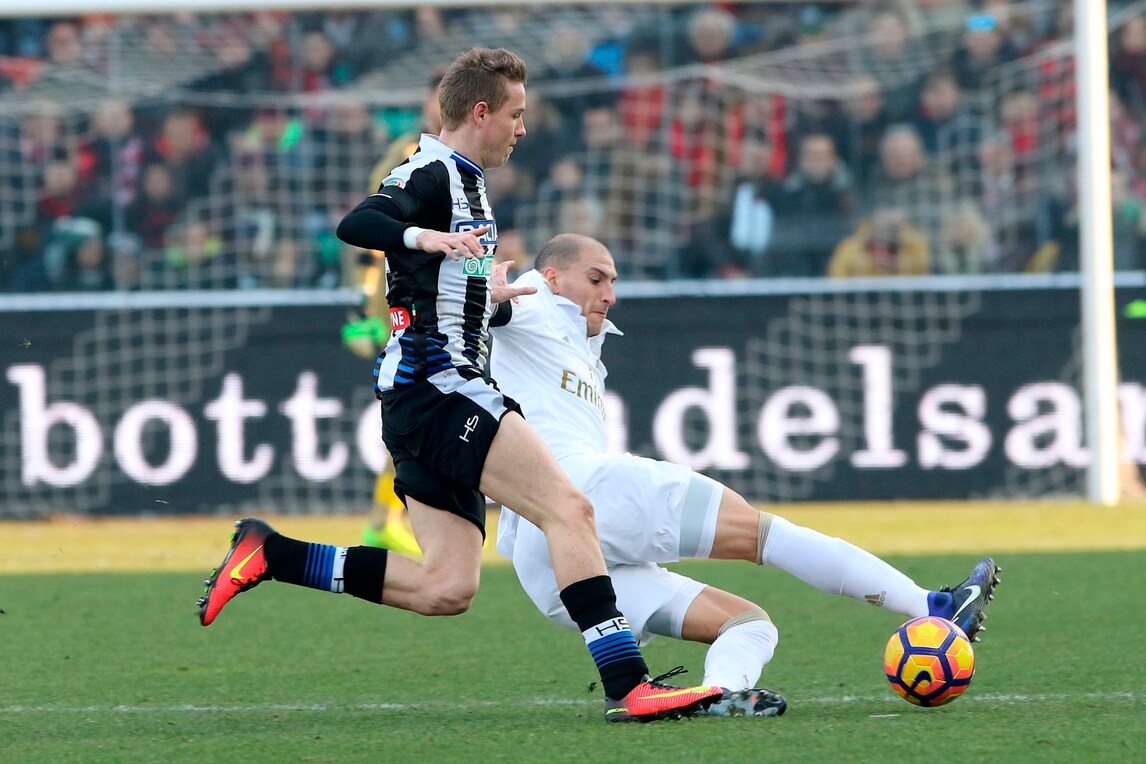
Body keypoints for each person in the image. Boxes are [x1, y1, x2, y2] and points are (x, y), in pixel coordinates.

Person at [197, 47, 724, 724]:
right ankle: (628, 683)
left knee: (446, 587)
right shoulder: (433, 169)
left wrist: (488, 297)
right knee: (570, 509)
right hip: (440, 385)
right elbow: (358, 223)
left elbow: (445, 294)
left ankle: (272, 554)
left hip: (417, 396)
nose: (523, 128)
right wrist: (425, 238)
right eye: (516, 113)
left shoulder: (469, 185)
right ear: (481, 112)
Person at [487, 233, 1002, 715]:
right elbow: (493, 309)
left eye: (613, 282)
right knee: (764, 535)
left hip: (545, 559)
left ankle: (722, 694)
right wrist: (479, 290)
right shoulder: (534, 302)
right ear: (552, 278)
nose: (610, 294)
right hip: (585, 491)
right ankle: (935, 606)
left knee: (750, 625)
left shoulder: (579, 343)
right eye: (596, 278)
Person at [345, 70, 447, 557]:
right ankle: (388, 517)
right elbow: (371, 227)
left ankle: (387, 517)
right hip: (400, 303)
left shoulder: (458, 160)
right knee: (416, 407)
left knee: (422, 410)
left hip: (435, 302)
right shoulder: (411, 153)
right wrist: (362, 308)